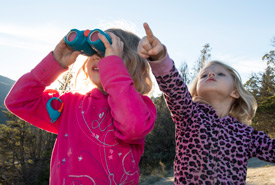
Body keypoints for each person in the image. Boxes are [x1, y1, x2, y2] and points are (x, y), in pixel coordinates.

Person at [5, 28, 156, 185]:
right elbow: (19, 101)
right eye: (94, 53)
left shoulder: (141, 106)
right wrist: (54, 62)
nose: (97, 57)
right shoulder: (70, 105)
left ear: (135, 65)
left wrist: (113, 68)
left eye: (107, 53)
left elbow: (133, 126)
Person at [138, 22, 275, 184]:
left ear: (235, 92)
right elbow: (173, 86)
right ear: (196, 89)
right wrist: (159, 57)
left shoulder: (246, 134)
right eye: (203, 75)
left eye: (220, 74)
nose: (211, 74)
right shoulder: (189, 114)